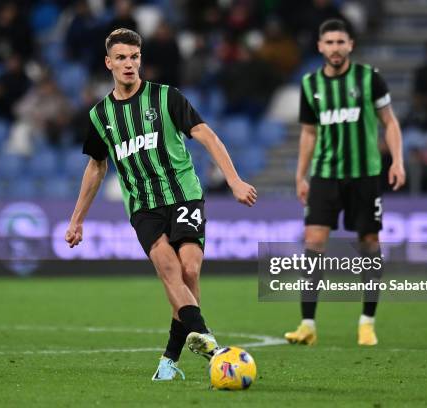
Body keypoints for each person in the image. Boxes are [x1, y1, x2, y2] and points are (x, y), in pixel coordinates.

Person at [65, 28, 257, 380]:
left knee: (190, 270)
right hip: (143, 205)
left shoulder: (166, 97)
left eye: (134, 57)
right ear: (108, 63)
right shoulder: (100, 116)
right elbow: (96, 166)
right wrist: (77, 219)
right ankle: (211, 344)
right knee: (169, 269)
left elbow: (207, 136)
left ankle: (169, 359)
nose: (128, 64)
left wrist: (234, 180)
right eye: (121, 58)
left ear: (141, 60)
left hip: (183, 193)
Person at [285, 19, 405, 347]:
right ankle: (307, 323)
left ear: (350, 44)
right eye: (330, 42)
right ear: (320, 47)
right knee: (313, 243)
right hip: (325, 175)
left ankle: (367, 322)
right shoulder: (310, 85)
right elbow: (309, 133)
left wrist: (397, 160)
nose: (335, 48)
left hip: (364, 175)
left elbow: (389, 122)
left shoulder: (369, 79)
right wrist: (300, 174)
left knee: (368, 243)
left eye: (341, 42)